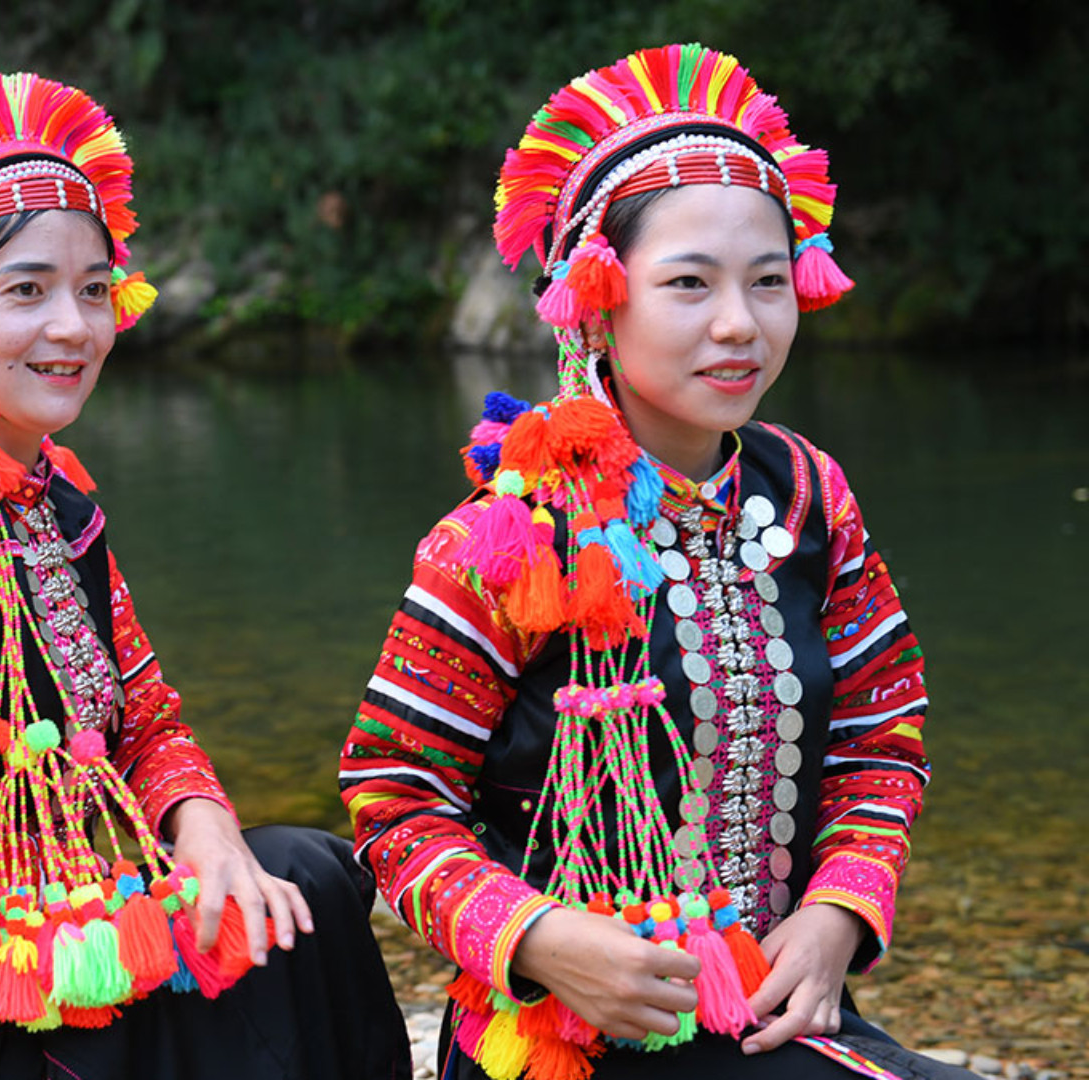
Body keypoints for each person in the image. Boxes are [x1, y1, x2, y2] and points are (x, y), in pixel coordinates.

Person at [339, 44, 966, 1080]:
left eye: (769, 282)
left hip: (771, 1011)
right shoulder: (506, 536)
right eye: (688, 284)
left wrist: (835, 918)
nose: (740, 325)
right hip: (565, 1042)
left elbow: (881, 733)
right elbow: (391, 796)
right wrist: (541, 940)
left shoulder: (811, 496)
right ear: (598, 299)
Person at [0, 72, 410, 1079]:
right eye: (27, 291)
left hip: (61, 908)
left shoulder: (50, 493)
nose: (74, 327)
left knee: (303, 880)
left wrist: (206, 838)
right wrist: (135, 901)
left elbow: (147, 719)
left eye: (94, 290)